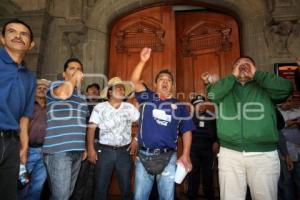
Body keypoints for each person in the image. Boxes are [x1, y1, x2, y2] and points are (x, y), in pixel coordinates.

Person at [202, 56, 293, 200]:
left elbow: (286, 89)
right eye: (238, 64)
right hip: (229, 155)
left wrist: (256, 74)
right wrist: (232, 77)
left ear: (255, 68)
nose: (243, 66)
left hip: (263, 156)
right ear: (233, 70)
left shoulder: (265, 87)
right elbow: (211, 95)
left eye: (247, 64)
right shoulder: (226, 88)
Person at [131, 47, 195, 200]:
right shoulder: (147, 97)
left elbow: (187, 131)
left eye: (168, 81)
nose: (165, 82)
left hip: (168, 157)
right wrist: (142, 61)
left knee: (167, 197)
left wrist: (185, 154)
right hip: (144, 155)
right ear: (155, 84)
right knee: (140, 196)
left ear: (172, 85)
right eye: (161, 80)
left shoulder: (180, 106)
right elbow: (134, 81)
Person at [0, 19, 36, 200]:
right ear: (2, 38)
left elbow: (24, 117)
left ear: (31, 44)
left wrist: (24, 146)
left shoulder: (29, 77)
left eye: (24, 34)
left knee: (8, 194)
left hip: (12, 143)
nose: (18, 36)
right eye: (12, 31)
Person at [43, 58, 88, 200]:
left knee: (65, 195)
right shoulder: (55, 86)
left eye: (79, 69)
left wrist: (84, 146)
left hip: (77, 151)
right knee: (61, 196)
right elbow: (64, 94)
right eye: (72, 68)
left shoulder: (82, 97)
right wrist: (74, 79)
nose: (76, 71)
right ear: (64, 73)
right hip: (58, 152)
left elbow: (81, 123)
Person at [88, 77, 140, 200]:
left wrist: (136, 139)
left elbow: (142, 123)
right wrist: (91, 149)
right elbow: (91, 128)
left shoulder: (129, 107)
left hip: (124, 152)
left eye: (123, 89)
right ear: (110, 92)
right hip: (104, 152)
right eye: (118, 88)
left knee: (126, 187)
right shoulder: (100, 107)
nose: (122, 91)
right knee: (100, 188)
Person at [71, 83, 105, 200]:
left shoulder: (103, 106)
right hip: (83, 143)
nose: (94, 92)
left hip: (100, 144)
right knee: (81, 175)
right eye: (91, 90)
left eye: (96, 91)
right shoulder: (81, 104)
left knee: (94, 176)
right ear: (87, 92)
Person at [18, 79, 51, 200]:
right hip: (27, 150)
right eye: (39, 88)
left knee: (38, 185)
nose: (42, 90)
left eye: (45, 88)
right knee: (22, 184)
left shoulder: (51, 106)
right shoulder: (27, 105)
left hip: (44, 151)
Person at [187, 95, 218, 200]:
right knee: (192, 175)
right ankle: (192, 197)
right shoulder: (188, 117)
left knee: (208, 175)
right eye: (197, 104)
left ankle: (209, 197)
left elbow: (217, 131)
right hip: (193, 148)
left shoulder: (211, 116)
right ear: (193, 106)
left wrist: (216, 142)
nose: (200, 106)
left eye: (201, 104)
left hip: (208, 148)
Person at [278, 97, 300, 199]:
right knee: (286, 183)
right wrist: (287, 124)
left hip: (297, 151)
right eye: (284, 101)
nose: (287, 103)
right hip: (283, 154)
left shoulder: (297, 112)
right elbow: (275, 130)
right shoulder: (276, 114)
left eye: (290, 101)